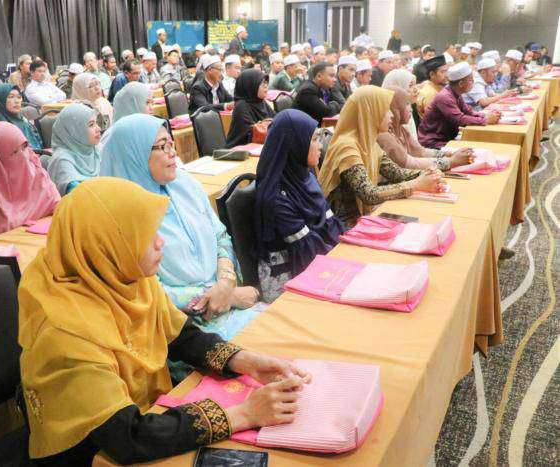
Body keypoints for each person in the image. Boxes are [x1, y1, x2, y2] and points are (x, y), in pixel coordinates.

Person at [18, 176, 309, 465]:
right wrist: (243, 414)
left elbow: (180, 335)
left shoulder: (125, 279)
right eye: (145, 236)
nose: (161, 242)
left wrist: (246, 362)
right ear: (108, 246)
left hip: (144, 420)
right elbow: (128, 436)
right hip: (95, 452)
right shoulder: (66, 331)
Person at [100, 114, 264, 340]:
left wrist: (226, 283)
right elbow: (146, 292)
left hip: (227, 302)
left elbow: (220, 236)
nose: (173, 153)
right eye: (162, 146)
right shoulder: (118, 217)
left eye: (171, 143)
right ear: (133, 155)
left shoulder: (186, 185)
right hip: (179, 330)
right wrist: (225, 296)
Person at [318, 86, 446, 226]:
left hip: (365, 217)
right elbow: (369, 194)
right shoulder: (346, 147)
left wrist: (428, 174)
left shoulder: (369, 142)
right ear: (370, 113)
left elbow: (397, 173)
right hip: (344, 226)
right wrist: (415, 185)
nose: (391, 115)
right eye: (386, 110)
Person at [254, 110, 345, 302]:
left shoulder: (306, 177)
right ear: (294, 145)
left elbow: (331, 226)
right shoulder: (276, 198)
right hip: (289, 283)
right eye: (314, 140)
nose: (320, 146)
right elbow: (307, 253)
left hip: (317, 265)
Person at [378, 88, 473, 171]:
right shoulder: (384, 136)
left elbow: (420, 152)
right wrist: (450, 161)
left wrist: (448, 154)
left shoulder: (401, 129)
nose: (411, 109)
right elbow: (409, 164)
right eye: (406, 104)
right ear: (395, 108)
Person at [418, 62, 499, 149]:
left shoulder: (455, 93)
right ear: (461, 84)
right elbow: (459, 119)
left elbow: (468, 111)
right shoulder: (445, 97)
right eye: (471, 80)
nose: (473, 83)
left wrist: (485, 116)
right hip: (434, 142)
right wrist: (485, 120)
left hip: (447, 138)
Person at [47, 103, 102, 195]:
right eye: (91, 125)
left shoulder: (97, 150)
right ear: (74, 130)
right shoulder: (62, 160)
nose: (99, 129)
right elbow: (79, 195)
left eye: (96, 123)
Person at [225, 69, 275, 148]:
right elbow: (251, 133)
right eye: (262, 83)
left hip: (260, 146)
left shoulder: (261, 102)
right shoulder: (241, 106)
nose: (265, 86)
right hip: (239, 151)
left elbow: (276, 121)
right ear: (250, 85)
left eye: (266, 82)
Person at [0, 84, 43, 150]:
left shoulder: (23, 120)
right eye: (11, 97)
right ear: (0, 100)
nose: (17, 101)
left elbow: (37, 145)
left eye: (19, 97)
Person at [382, 68, 419, 136]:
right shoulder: (389, 118)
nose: (416, 89)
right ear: (398, 87)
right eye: (410, 85)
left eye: (415, 85)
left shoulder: (408, 109)